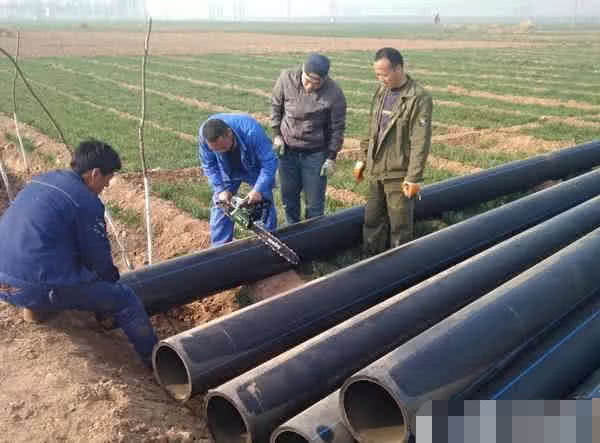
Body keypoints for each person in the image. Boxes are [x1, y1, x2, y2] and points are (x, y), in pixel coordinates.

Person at [0, 139, 158, 368]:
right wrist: (109, 287)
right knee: (125, 299)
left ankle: (35, 309)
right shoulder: (85, 201)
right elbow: (98, 259)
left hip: (3, 279)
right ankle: (154, 360)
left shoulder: (44, 179)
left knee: (53, 257)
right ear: (94, 174)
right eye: (108, 178)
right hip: (37, 286)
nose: (107, 185)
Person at [354, 47, 433, 256]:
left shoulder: (418, 97)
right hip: (376, 170)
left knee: (400, 224)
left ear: (399, 68)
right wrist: (363, 158)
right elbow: (373, 128)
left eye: (384, 74)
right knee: (372, 220)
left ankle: (400, 265)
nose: (381, 79)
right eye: (377, 75)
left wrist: (413, 177)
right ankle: (371, 261)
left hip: (398, 173)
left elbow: (420, 141)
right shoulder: (381, 91)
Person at [271, 52, 347, 225]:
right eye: (307, 81)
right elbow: (276, 106)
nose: (310, 86)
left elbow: (337, 127)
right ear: (302, 71)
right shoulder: (286, 79)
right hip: (287, 151)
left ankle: (313, 236)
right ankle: (293, 234)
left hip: (315, 154)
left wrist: (331, 157)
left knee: (314, 204)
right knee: (289, 199)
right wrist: (276, 135)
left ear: (325, 79)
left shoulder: (334, 93)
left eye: (316, 83)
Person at [198, 114, 278, 245]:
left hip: (253, 165)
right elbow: (209, 165)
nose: (220, 151)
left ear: (229, 133)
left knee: (264, 204)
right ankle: (220, 247)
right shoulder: (205, 136)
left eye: (223, 148)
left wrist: (258, 189)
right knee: (221, 205)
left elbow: (269, 163)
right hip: (227, 168)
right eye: (216, 150)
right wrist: (220, 189)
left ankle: (269, 243)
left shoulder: (252, 132)